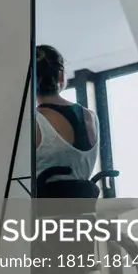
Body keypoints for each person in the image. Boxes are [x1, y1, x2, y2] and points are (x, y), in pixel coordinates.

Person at [34, 44, 100, 188]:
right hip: (84, 207)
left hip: (43, 209)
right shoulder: (91, 117)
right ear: (60, 75)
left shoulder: (34, 122)